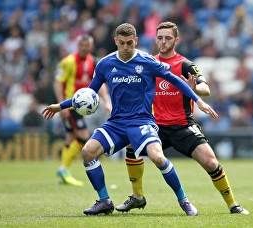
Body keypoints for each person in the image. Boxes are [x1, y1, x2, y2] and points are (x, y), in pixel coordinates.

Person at [42, 23, 218, 216]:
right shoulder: (105, 64)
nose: (126, 48)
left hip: (142, 121)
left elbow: (175, 80)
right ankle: (104, 201)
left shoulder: (148, 61)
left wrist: (198, 100)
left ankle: (184, 201)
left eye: (129, 44)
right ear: (115, 41)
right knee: (87, 152)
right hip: (116, 123)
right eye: (122, 43)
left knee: (158, 157)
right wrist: (60, 106)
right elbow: (89, 92)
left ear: (136, 41)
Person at [115, 21, 249, 215]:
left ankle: (233, 205)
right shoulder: (147, 63)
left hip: (182, 125)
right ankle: (137, 197)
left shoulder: (185, 64)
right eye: (160, 38)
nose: (163, 41)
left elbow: (206, 88)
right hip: (155, 125)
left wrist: (194, 88)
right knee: (130, 144)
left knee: (211, 163)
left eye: (168, 38)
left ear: (176, 40)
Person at [53, 34, 111, 186]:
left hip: (82, 107)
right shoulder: (68, 61)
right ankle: (63, 169)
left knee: (70, 138)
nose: (84, 48)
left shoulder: (94, 62)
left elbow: (100, 83)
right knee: (84, 136)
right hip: (71, 105)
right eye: (81, 45)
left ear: (91, 47)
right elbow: (58, 83)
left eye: (87, 46)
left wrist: (106, 101)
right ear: (77, 46)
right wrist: (61, 105)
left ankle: (63, 172)